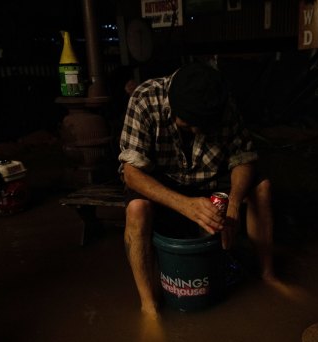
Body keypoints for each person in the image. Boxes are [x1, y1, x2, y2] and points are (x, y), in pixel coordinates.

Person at [118, 62, 275, 316]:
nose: (198, 132)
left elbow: (244, 157)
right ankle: (149, 305)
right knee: (136, 209)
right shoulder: (145, 99)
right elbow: (131, 174)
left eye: (205, 127)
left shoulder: (222, 102)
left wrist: (233, 203)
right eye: (190, 126)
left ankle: (268, 274)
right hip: (165, 179)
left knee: (262, 188)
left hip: (210, 177)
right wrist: (185, 204)